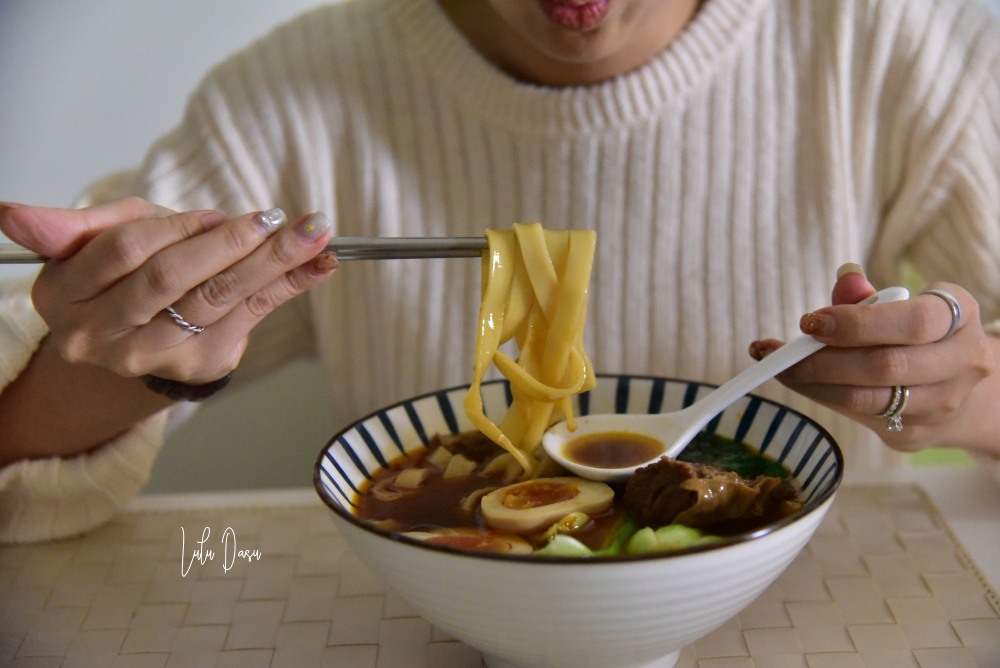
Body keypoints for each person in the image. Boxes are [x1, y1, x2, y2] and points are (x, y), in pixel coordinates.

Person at [2, 0, 999, 543]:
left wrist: (967, 389)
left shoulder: (886, 39)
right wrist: (112, 358)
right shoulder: (287, 98)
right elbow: (22, 424)